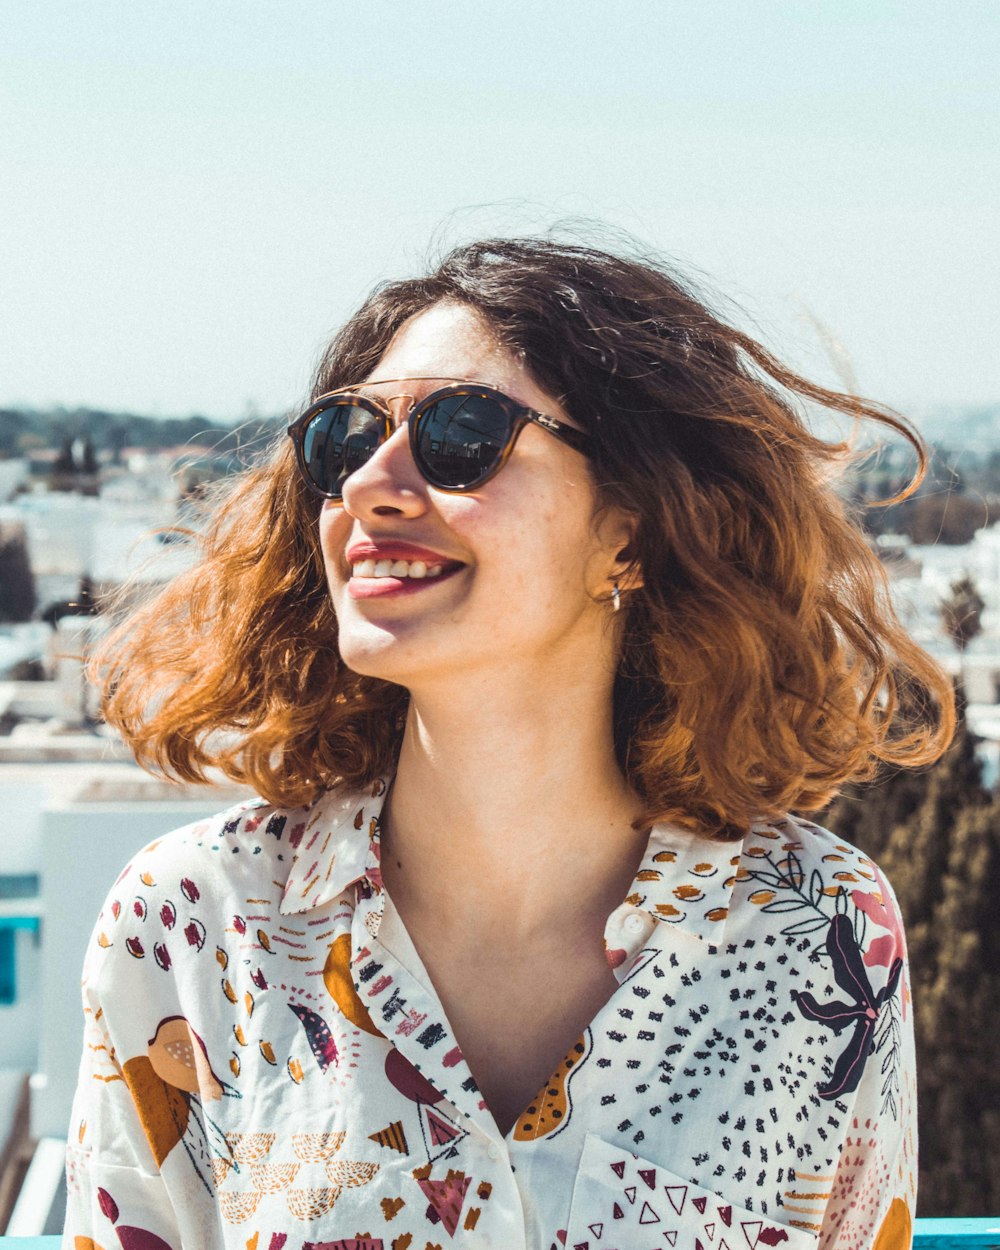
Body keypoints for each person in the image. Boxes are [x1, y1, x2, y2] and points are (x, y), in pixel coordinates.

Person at [63, 236, 953, 1250]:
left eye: (460, 432)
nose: (370, 484)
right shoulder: (197, 925)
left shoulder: (819, 928)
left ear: (629, 529)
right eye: (345, 440)